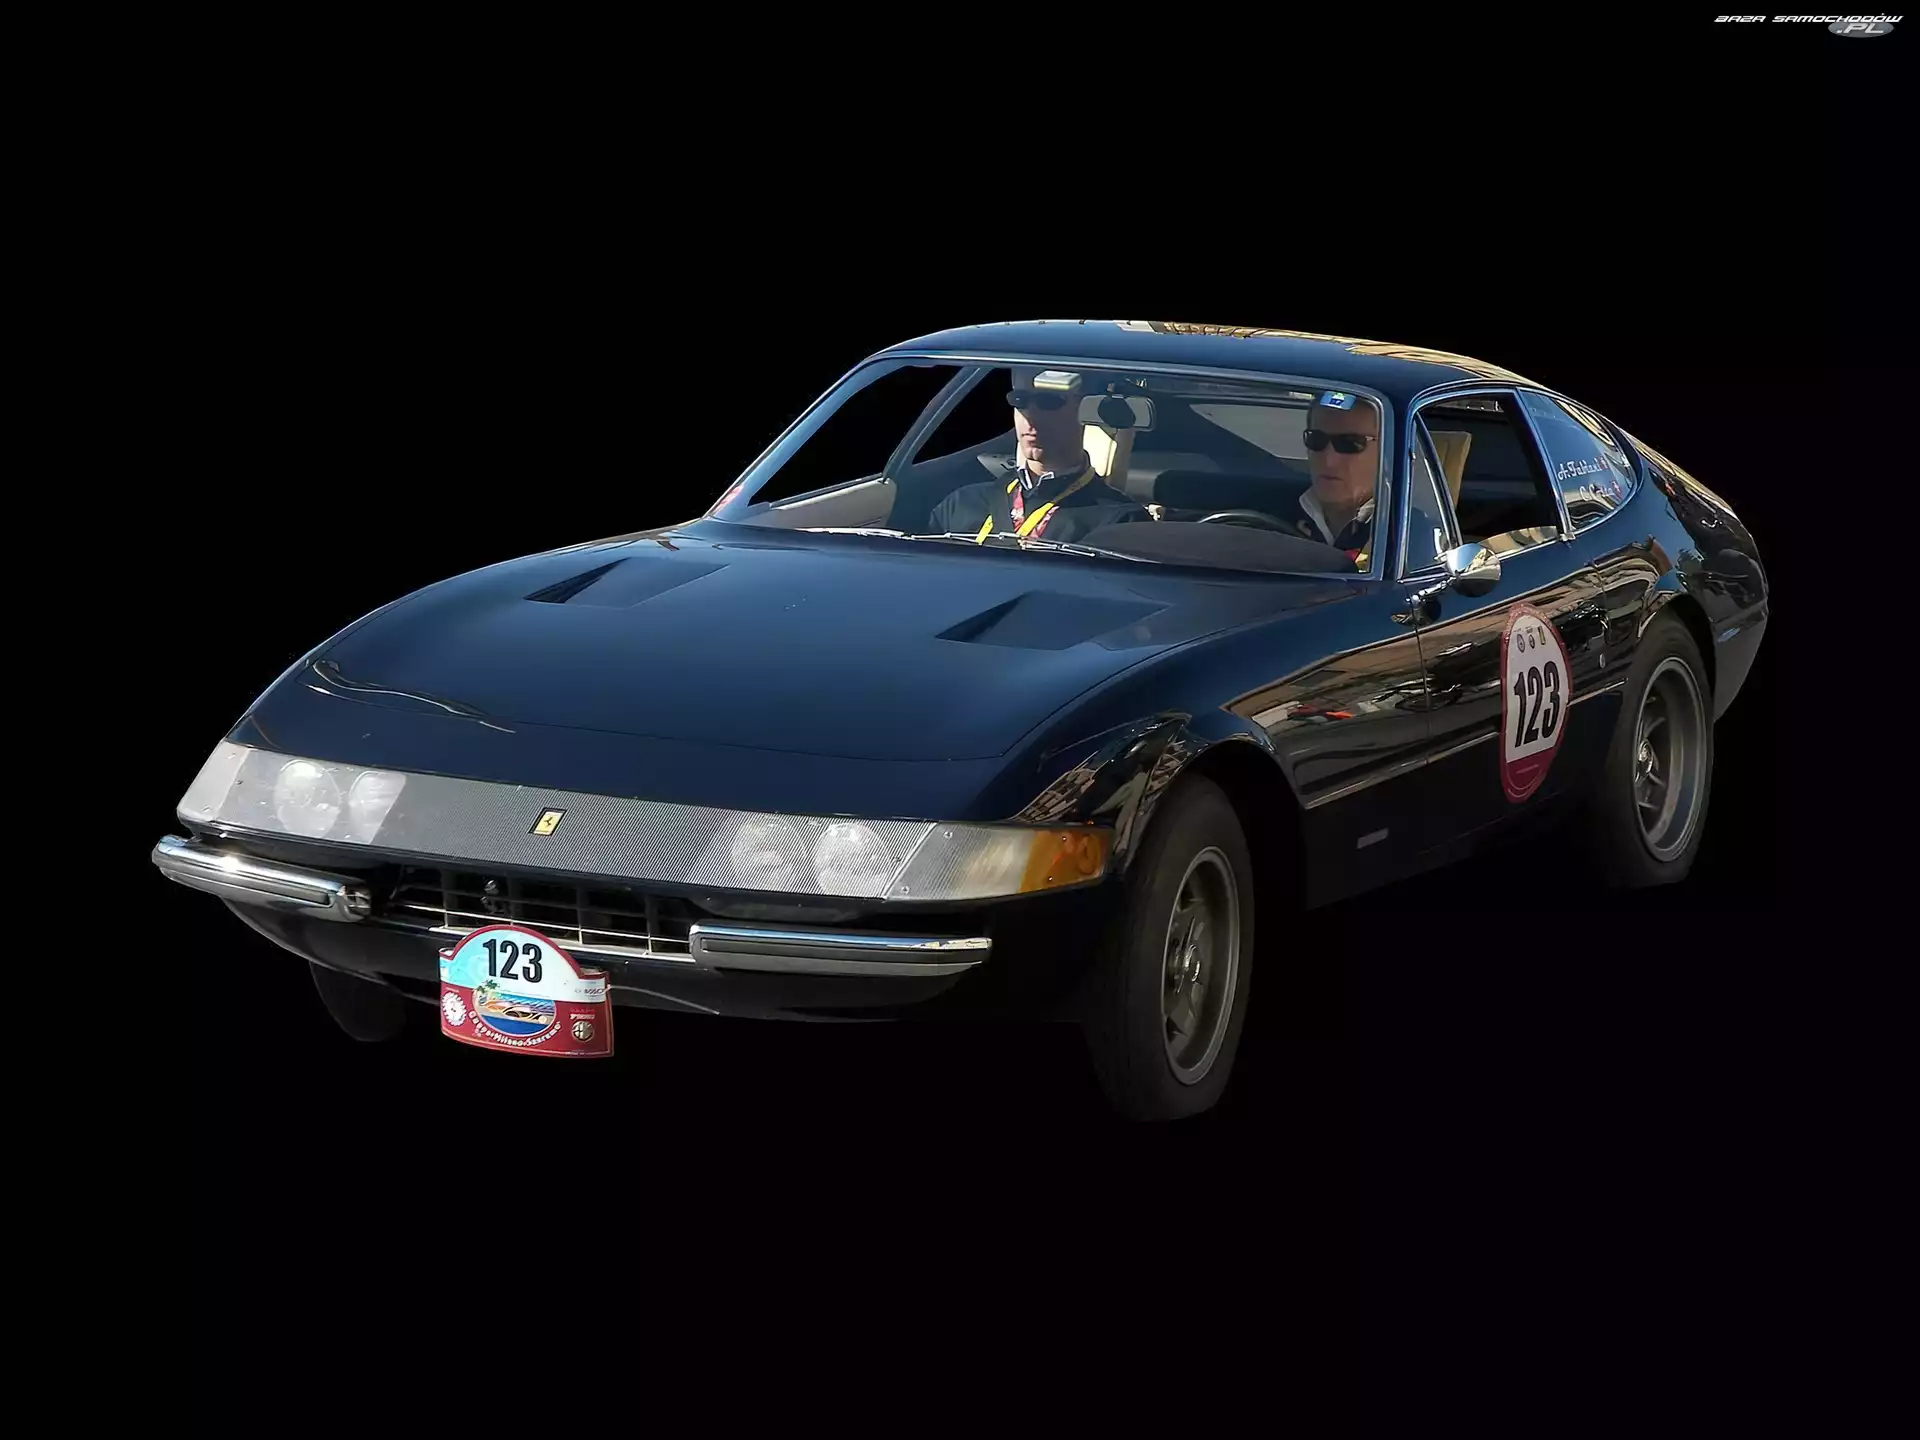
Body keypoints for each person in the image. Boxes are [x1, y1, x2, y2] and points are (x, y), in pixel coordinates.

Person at [925, 368, 1150, 544]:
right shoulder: (960, 504)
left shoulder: (1119, 522)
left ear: (1086, 409)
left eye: (1048, 401)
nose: (1030, 415)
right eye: (1020, 401)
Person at [1281, 390, 1383, 567]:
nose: (1329, 460)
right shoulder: (1276, 514)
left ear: (1386, 451)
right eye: (1316, 440)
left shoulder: (1405, 533)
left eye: (1350, 443)